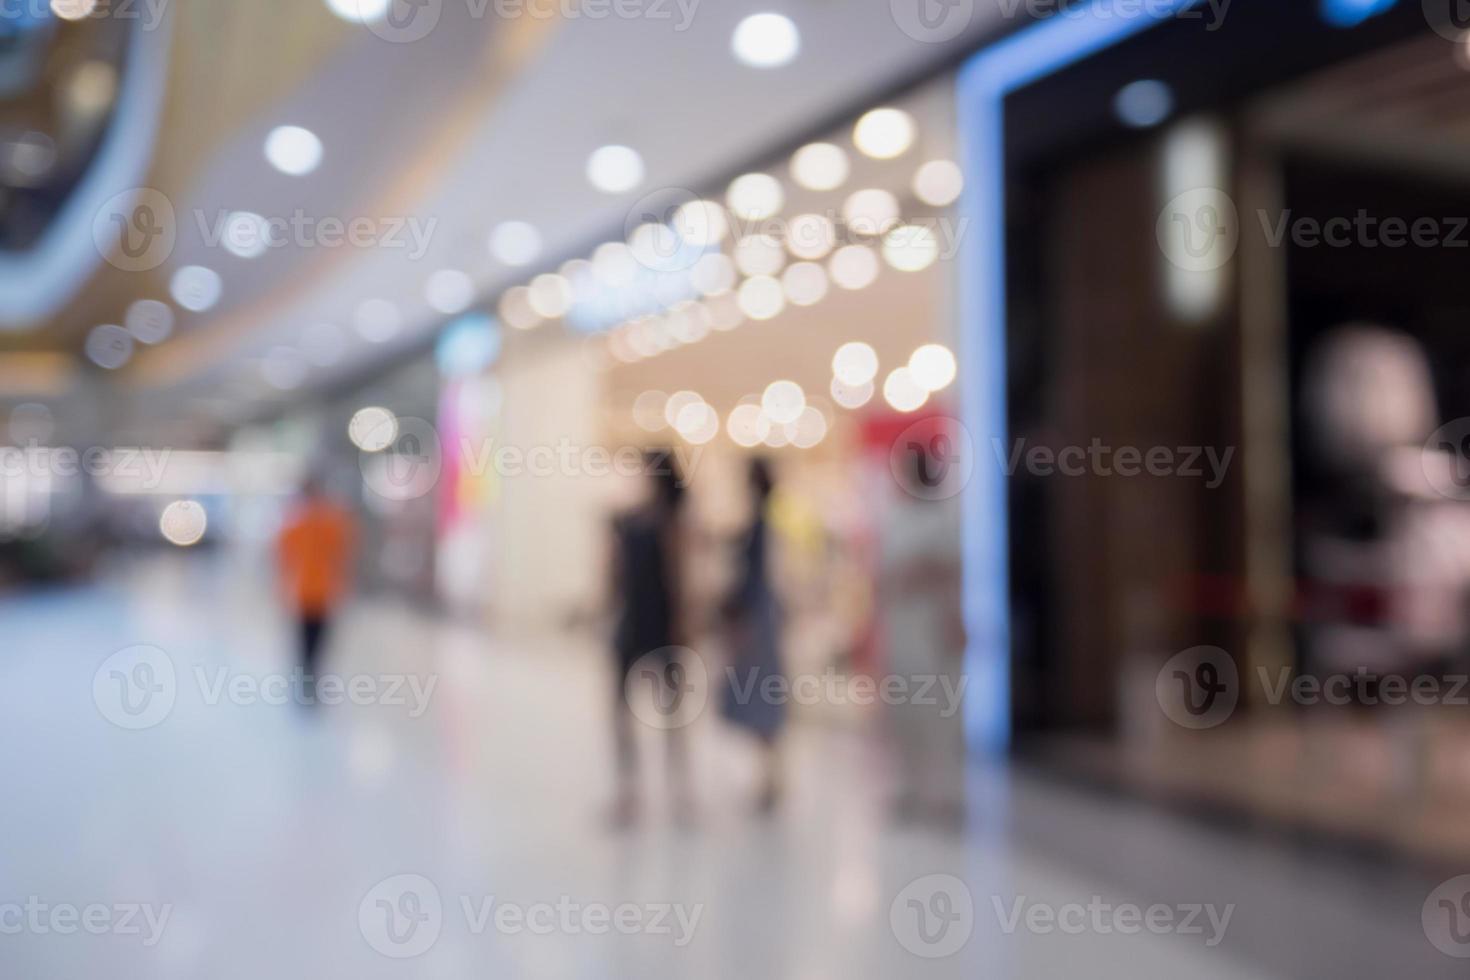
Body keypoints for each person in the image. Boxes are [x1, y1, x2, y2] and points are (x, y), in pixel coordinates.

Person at [878, 442, 966, 829]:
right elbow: (885, 576)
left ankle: (943, 788)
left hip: (930, 625)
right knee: (905, 708)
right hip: (901, 625)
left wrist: (953, 618)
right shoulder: (895, 519)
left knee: (938, 706)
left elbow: (949, 573)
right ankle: (909, 783)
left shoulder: (941, 518)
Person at [609, 451, 691, 826]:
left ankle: (675, 792)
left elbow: (676, 581)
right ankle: (635, 792)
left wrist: (683, 625)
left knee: (668, 716)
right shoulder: (636, 521)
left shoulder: (663, 524)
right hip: (640, 622)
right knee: (629, 713)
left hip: (657, 624)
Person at [720, 458, 786, 813]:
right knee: (762, 697)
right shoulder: (762, 523)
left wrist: (744, 620)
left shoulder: (762, 527)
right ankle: (770, 776)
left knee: (763, 697)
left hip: (759, 620)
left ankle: (772, 778)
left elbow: (755, 579)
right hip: (761, 618)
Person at [277, 477, 357, 709]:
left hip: (307, 592)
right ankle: (311, 679)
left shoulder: (297, 523)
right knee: (317, 640)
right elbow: (344, 554)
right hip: (321, 591)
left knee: (306, 641)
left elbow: (284, 557)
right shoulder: (332, 521)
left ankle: (307, 679)